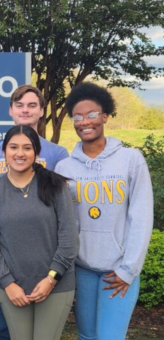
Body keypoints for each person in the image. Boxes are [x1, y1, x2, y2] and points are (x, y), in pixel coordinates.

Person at [55, 83, 153, 340]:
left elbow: (141, 216)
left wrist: (128, 269)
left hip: (118, 271)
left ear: (105, 116)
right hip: (83, 269)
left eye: (91, 114)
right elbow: (63, 222)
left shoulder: (131, 160)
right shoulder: (64, 167)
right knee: (86, 336)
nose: (84, 121)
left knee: (110, 337)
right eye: (77, 117)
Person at [0, 85, 69, 339]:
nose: (20, 154)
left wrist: (52, 275)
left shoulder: (58, 155)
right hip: (5, 268)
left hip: (47, 266)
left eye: (31, 105)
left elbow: (68, 227)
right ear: (10, 110)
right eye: (20, 105)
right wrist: (6, 278)